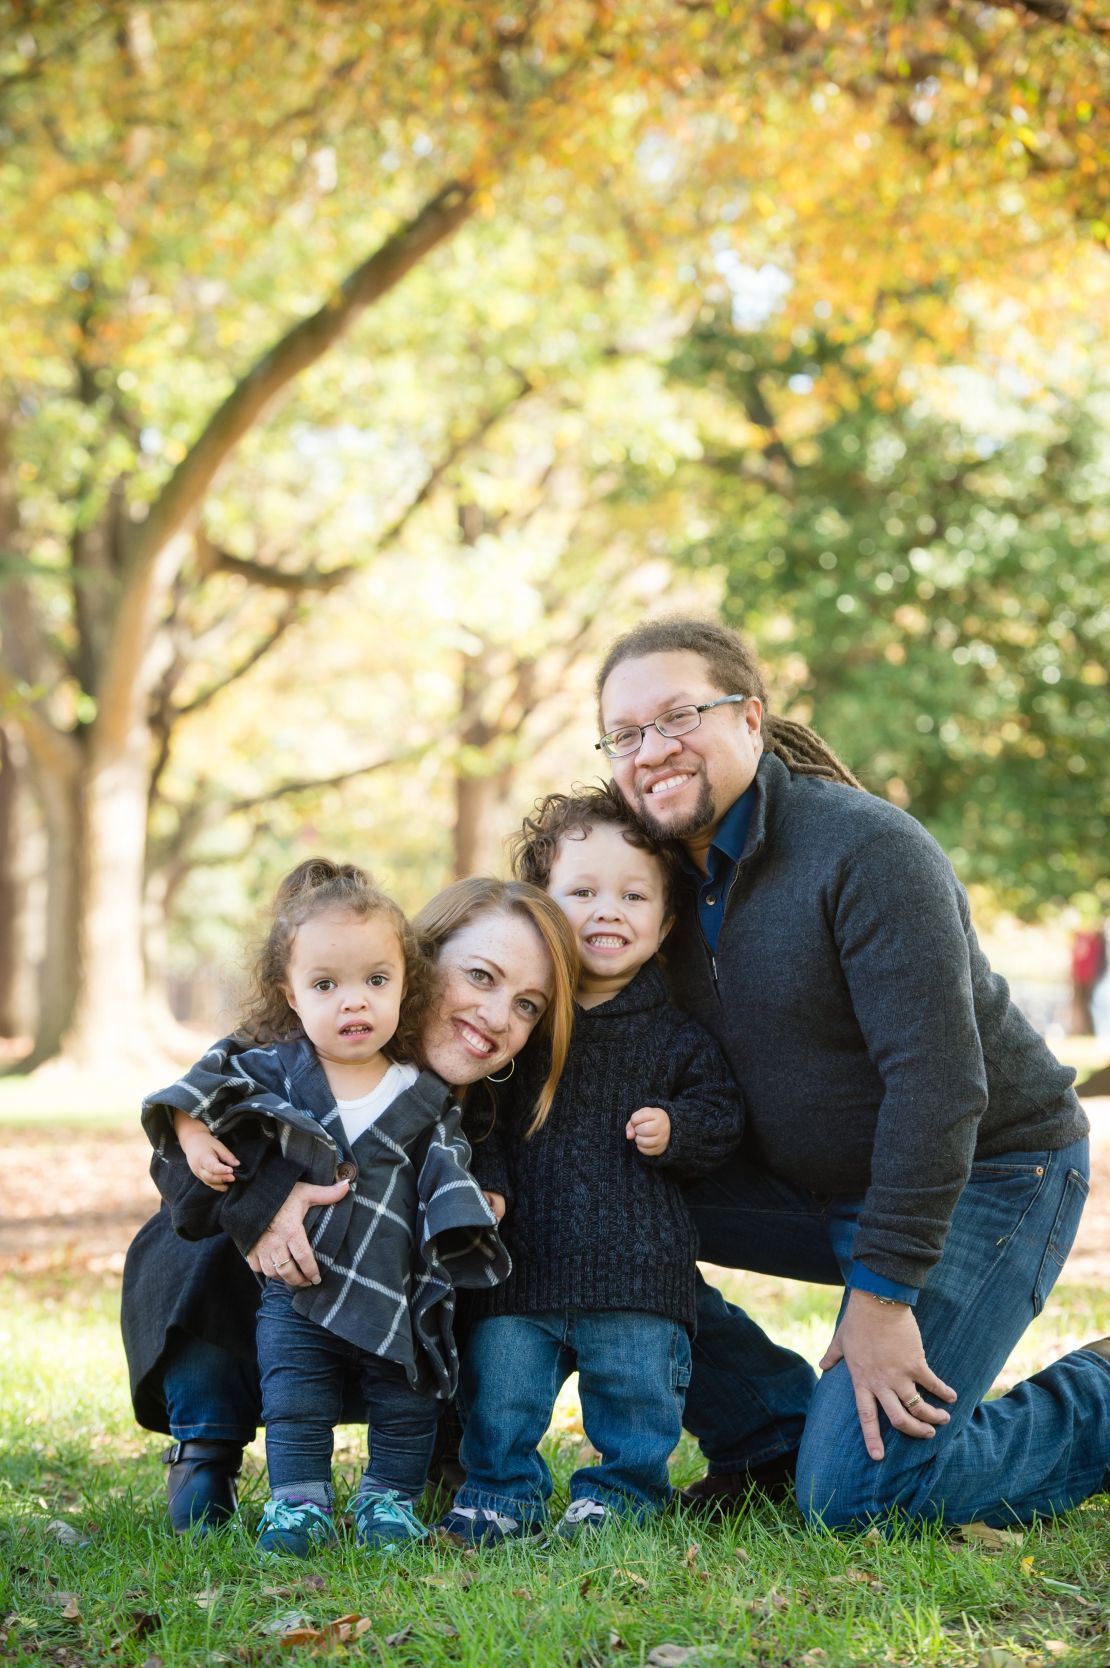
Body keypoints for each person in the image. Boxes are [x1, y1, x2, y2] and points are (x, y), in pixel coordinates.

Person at [595, 615, 1109, 1529]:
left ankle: (1100, 1397)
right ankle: (771, 1433)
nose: (653, 750)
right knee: (583, 1195)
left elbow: (939, 1086)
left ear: (750, 719)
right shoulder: (638, 884)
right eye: (626, 733)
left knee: (860, 1498)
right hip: (808, 1185)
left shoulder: (867, 850)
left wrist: (880, 1299)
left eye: (679, 716)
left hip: (992, 1173)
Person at [122, 874, 578, 1538]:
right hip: (272, 1302)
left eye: (528, 1005)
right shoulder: (297, 1038)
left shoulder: (476, 1101)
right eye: (481, 977)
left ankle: (430, 1452)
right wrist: (264, 1203)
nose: (497, 1015)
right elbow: (184, 1182)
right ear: (423, 962)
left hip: (387, 1312)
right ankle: (207, 1444)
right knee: (187, 1249)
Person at [437, 784, 746, 1544]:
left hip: (637, 1269)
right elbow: (485, 1127)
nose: (608, 910)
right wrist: (492, 1189)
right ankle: (499, 1491)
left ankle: (623, 1493)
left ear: (667, 921)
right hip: (521, 1269)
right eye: (582, 892)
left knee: (636, 1394)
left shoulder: (677, 1038)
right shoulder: (519, 1027)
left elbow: (723, 1117)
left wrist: (677, 1128)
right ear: (540, 906)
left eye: (634, 896)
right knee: (501, 1391)